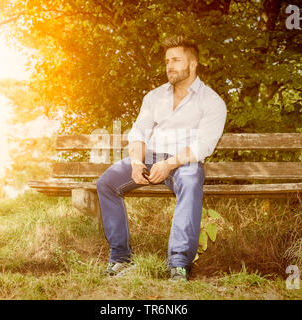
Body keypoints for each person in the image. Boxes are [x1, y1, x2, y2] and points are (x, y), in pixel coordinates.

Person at [96, 35, 227, 281]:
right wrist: (136, 161)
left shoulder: (212, 101)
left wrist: (169, 164)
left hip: (183, 163)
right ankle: (120, 258)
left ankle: (178, 263)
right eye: (167, 60)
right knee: (106, 183)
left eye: (176, 60)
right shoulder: (155, 96)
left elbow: (203, 145)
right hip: (149, 158)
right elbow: (139, 132)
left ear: (193, 63)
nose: (169, 65)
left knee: (190, 183)